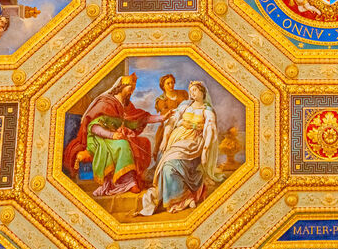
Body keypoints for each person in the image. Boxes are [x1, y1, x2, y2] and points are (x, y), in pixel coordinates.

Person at [62, 75, 168, 196]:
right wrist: (112, 135)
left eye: (133, 88)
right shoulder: (106, 103)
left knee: (143, 142)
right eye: (130, 88)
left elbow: (139, 119)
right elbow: (94, 127)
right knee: (122, 144)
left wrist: (161, 118)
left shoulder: (125, 105)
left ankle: (130, 179)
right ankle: (128, 182)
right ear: (121, 87)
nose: (132, 91)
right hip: (99, 138)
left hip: (113, 136)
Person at [142, 81, 220, 216]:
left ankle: (182, 198)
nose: (192, 92)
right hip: (176, 140)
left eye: (195, 90)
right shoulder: (185, 105)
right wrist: (165, 138)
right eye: (191, 90)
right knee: (167, 166)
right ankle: (183, 198)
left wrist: (205, 151)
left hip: (193, 143)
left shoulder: (207, 110)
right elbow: (172, 121)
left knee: (169, 166)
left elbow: (210, 131)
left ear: (202, 92)